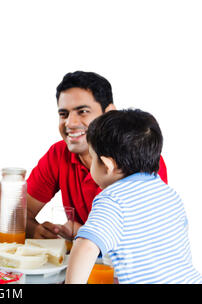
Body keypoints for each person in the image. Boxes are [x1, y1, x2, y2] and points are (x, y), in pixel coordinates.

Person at [26, 71, 168, 240]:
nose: (70, 123)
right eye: (63, 114)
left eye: (83, 111)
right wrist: (34, 230)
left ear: (109, 112)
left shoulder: (140, 158)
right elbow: (20, 212)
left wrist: (85, 234)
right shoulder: (58, 154)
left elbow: (147, 237)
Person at [65, 109, 202, 284]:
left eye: (92, 158)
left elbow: (85, 247)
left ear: (107, 165)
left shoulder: (113, 200)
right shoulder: (169, 194)